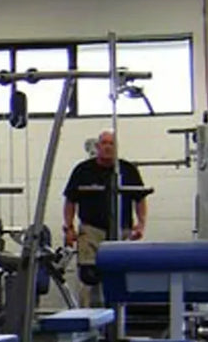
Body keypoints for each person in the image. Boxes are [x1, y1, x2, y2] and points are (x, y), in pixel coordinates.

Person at [62, 130, 147, 305]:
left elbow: (140, 199)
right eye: (104, 143)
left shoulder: (127, 170)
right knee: (89, 278)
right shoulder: (83, 170)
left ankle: (119, 321)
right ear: (98, 146)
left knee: (120, 277)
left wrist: (141, 224)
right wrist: (69, 227)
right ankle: (87, 320)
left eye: (111, 144)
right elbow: (70, 201)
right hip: (92, 230)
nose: (108, 147)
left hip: (121, 231)